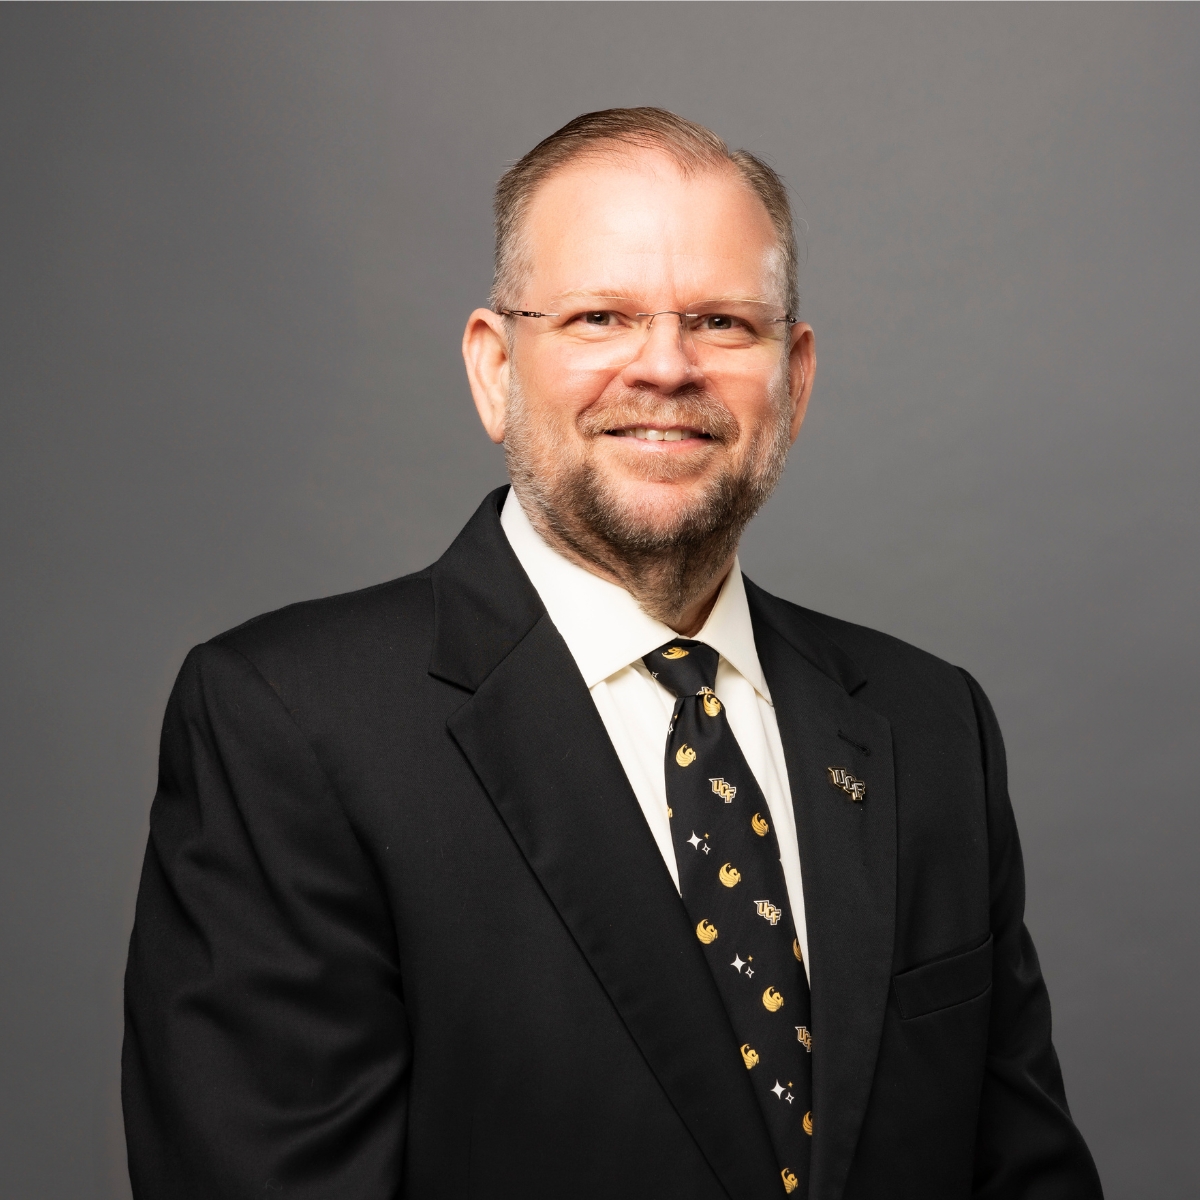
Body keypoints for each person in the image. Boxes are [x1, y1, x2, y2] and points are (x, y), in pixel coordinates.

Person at [122, 108, 1102, 1199]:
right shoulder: (289, 724)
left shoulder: (928, 724)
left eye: (724, 323)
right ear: (495, 370)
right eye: (600, 316)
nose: (667, 367)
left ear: (797, 377)